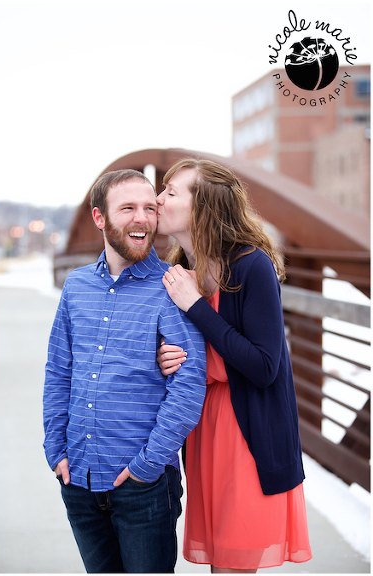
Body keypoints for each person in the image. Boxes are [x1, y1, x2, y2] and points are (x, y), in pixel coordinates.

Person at [42, 169, 207, 573]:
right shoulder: (77, 286)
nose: (142, 218)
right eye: (128, 208)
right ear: (99, 218)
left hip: (143, 487)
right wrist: (55, 450)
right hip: (78, 477)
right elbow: (59, 370)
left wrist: (148, 465)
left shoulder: (173, 286)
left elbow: (189, 383)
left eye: (150, 208)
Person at [155, 158, 312, 573]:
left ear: (204, 205)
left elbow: (264, 366)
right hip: (204, 430)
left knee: (234, 566)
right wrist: (164, 357)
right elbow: (191, 351)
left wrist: (194, 306)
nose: (158, 199)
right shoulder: (181, 270)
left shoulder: (250, 265)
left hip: (247, 432)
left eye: (171, 192)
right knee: (220, 563)